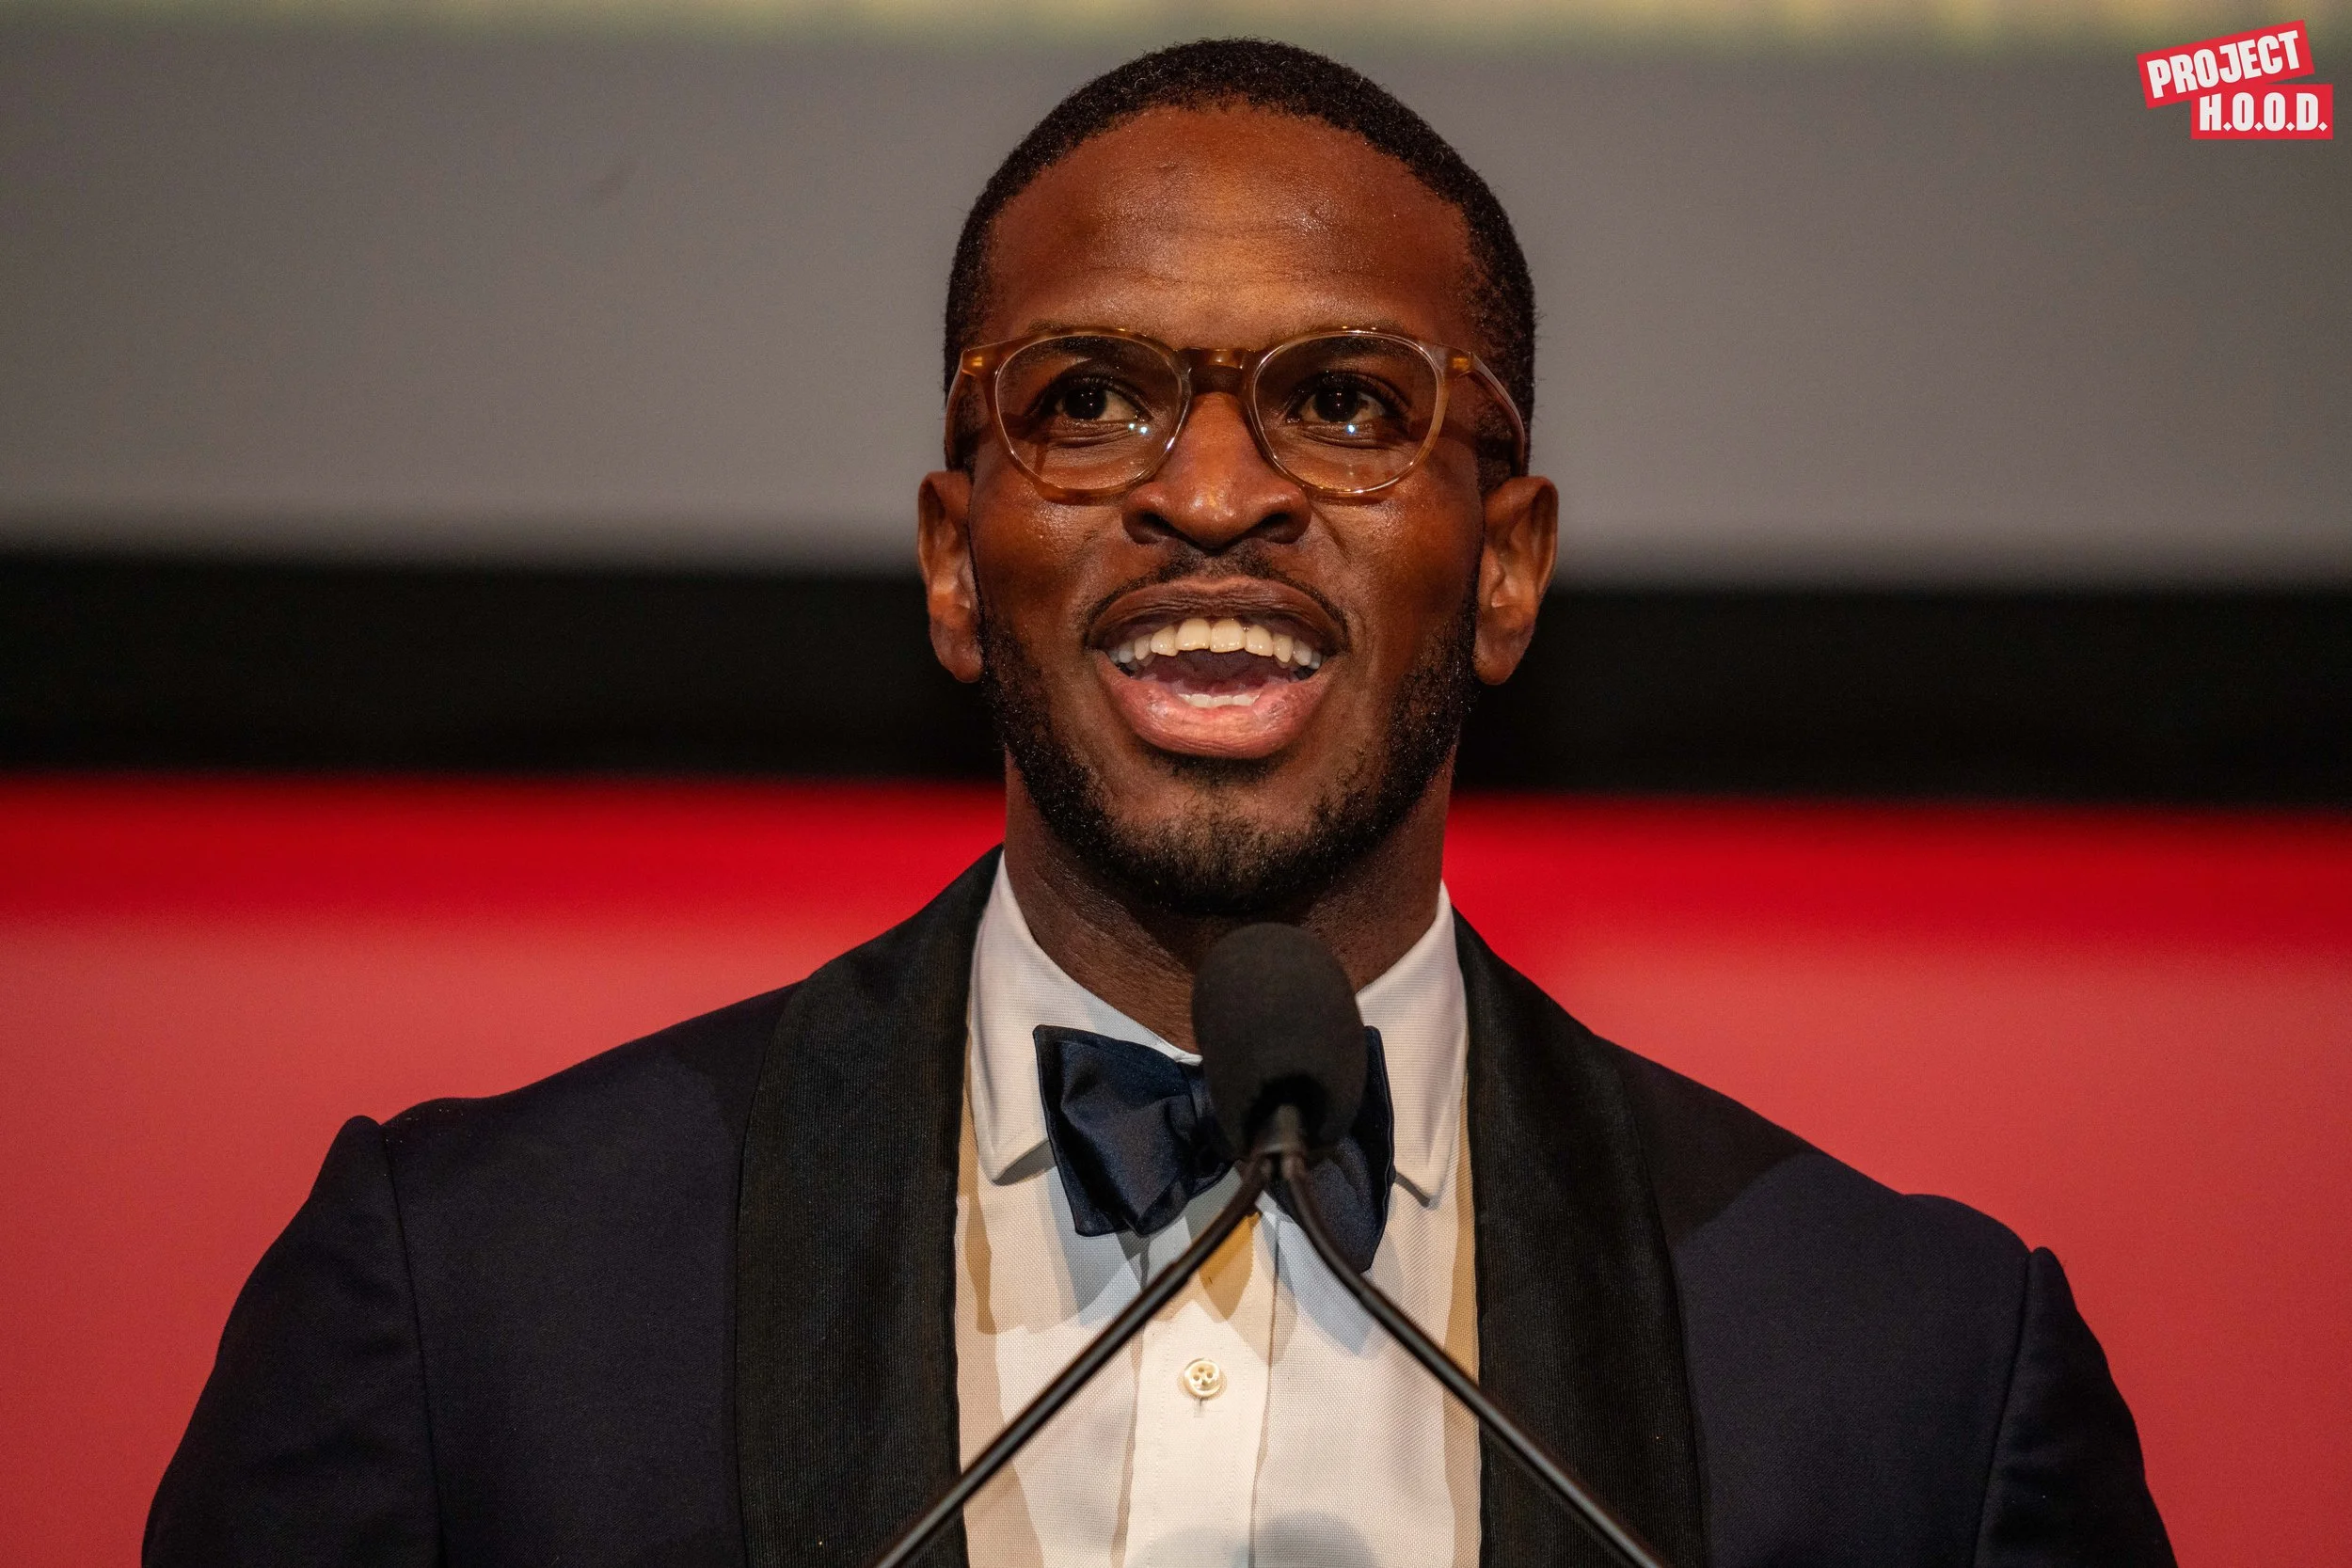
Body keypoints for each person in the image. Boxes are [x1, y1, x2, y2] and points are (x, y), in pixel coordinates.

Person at [147, 39, 2174, 1568]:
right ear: (956, 563)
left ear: (1504, 568)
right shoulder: (471, 1296)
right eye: (1089, 401)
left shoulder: (1912, 1371)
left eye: (1348, 403)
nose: (1210, 496)